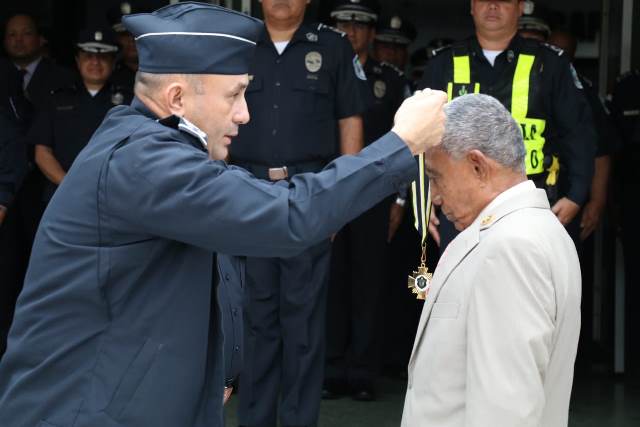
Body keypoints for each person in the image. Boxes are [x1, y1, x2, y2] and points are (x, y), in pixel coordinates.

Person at [0, 3, 447, 427]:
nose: (245, 114)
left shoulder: (168, 154)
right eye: (235, 94)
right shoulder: (143, 162)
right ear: (177, 97)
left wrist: (222, 373)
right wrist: (402, 145)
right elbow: (287, 215)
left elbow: (224, 258)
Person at [402, 93, 581, 427]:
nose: (434, 196)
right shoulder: (532, 231)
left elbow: (505, 409)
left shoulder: (511, 247)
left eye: (436, 177)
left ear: (478, 166)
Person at [230, 1, 370, 425]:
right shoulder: (238, 44)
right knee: (255, 320)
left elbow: (350, 122)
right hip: (247, 191)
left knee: (304, 323)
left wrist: (342, 200)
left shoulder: (333, 46)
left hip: (310, 192)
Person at [420, 0, 596, 249]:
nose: (493, 6)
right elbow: (419, 134)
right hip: (458, 208)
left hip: (533, 203)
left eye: (503, 0)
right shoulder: (444, 63)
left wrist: (576, 196)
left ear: (520, 7)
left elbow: (579, 133)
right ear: (472, 6)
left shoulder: (550, 63)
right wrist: (422, 199)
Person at [323, 0, 409, 402]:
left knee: (369, 284)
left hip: (375, 196)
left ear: (371, 33)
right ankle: (330, 369)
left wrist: (400, 199)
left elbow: (408, 140)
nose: (351, 32)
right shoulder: (320, 70)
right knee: (331, 280)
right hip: (327, 192)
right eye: (344, 24)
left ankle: (361, 373)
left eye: (359, 26)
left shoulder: (389, 79)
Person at [32, 28, 132, 203]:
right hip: (62, 195)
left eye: (103, 57)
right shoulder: (57, 100)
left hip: (113, 196)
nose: (95, 62)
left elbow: (137, 151)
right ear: (78, 61)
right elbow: (42, 152)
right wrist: (70, 185)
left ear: (113, 62)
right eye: (88, 56)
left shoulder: (129, 102)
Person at [107, 1, 140, 91]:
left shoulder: (162, 72)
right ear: (117, 39)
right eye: (124, 35)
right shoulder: (106, 74)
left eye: (136, 33)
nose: (131, 40)